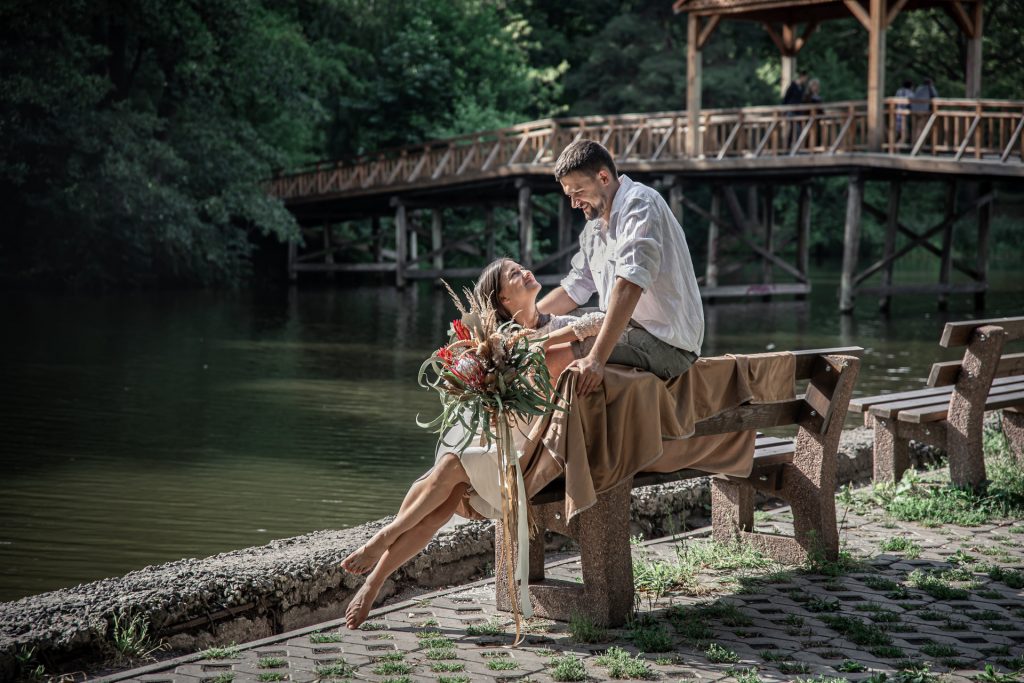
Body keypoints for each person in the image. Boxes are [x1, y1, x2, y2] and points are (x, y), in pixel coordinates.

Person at [339, 258, 604, 629]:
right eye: (515, 273)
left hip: (529, 457)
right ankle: (373, 583)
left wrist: (567, 333)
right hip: (494, 451)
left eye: (522, 267)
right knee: (443, 499)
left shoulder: (548, 330)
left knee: (448, 467)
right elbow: (518, 349)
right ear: (503, 299)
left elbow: (595, 325)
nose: (526, 271)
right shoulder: (495, 343)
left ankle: (385, 535)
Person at [537, 139, 704, 397]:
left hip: (669, 344)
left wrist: (595, 359)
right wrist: (523, 324)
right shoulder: (594, 227)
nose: (573, 203)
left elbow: (629, 285)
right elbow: (575, 288)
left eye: (578, 193)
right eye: (569, 196)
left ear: (603, 177)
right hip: (631, 328)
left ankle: (554, 435)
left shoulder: (640, 205)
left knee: (557, 354)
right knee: (545, 331)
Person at [894, 79, 915, 145]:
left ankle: (893, 146)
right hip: (905, 115)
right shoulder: (911, 94)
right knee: (905, 134)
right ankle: (897, 147)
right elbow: (912, 105)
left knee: (896, 132)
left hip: (897, 113)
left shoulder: (899, 91)